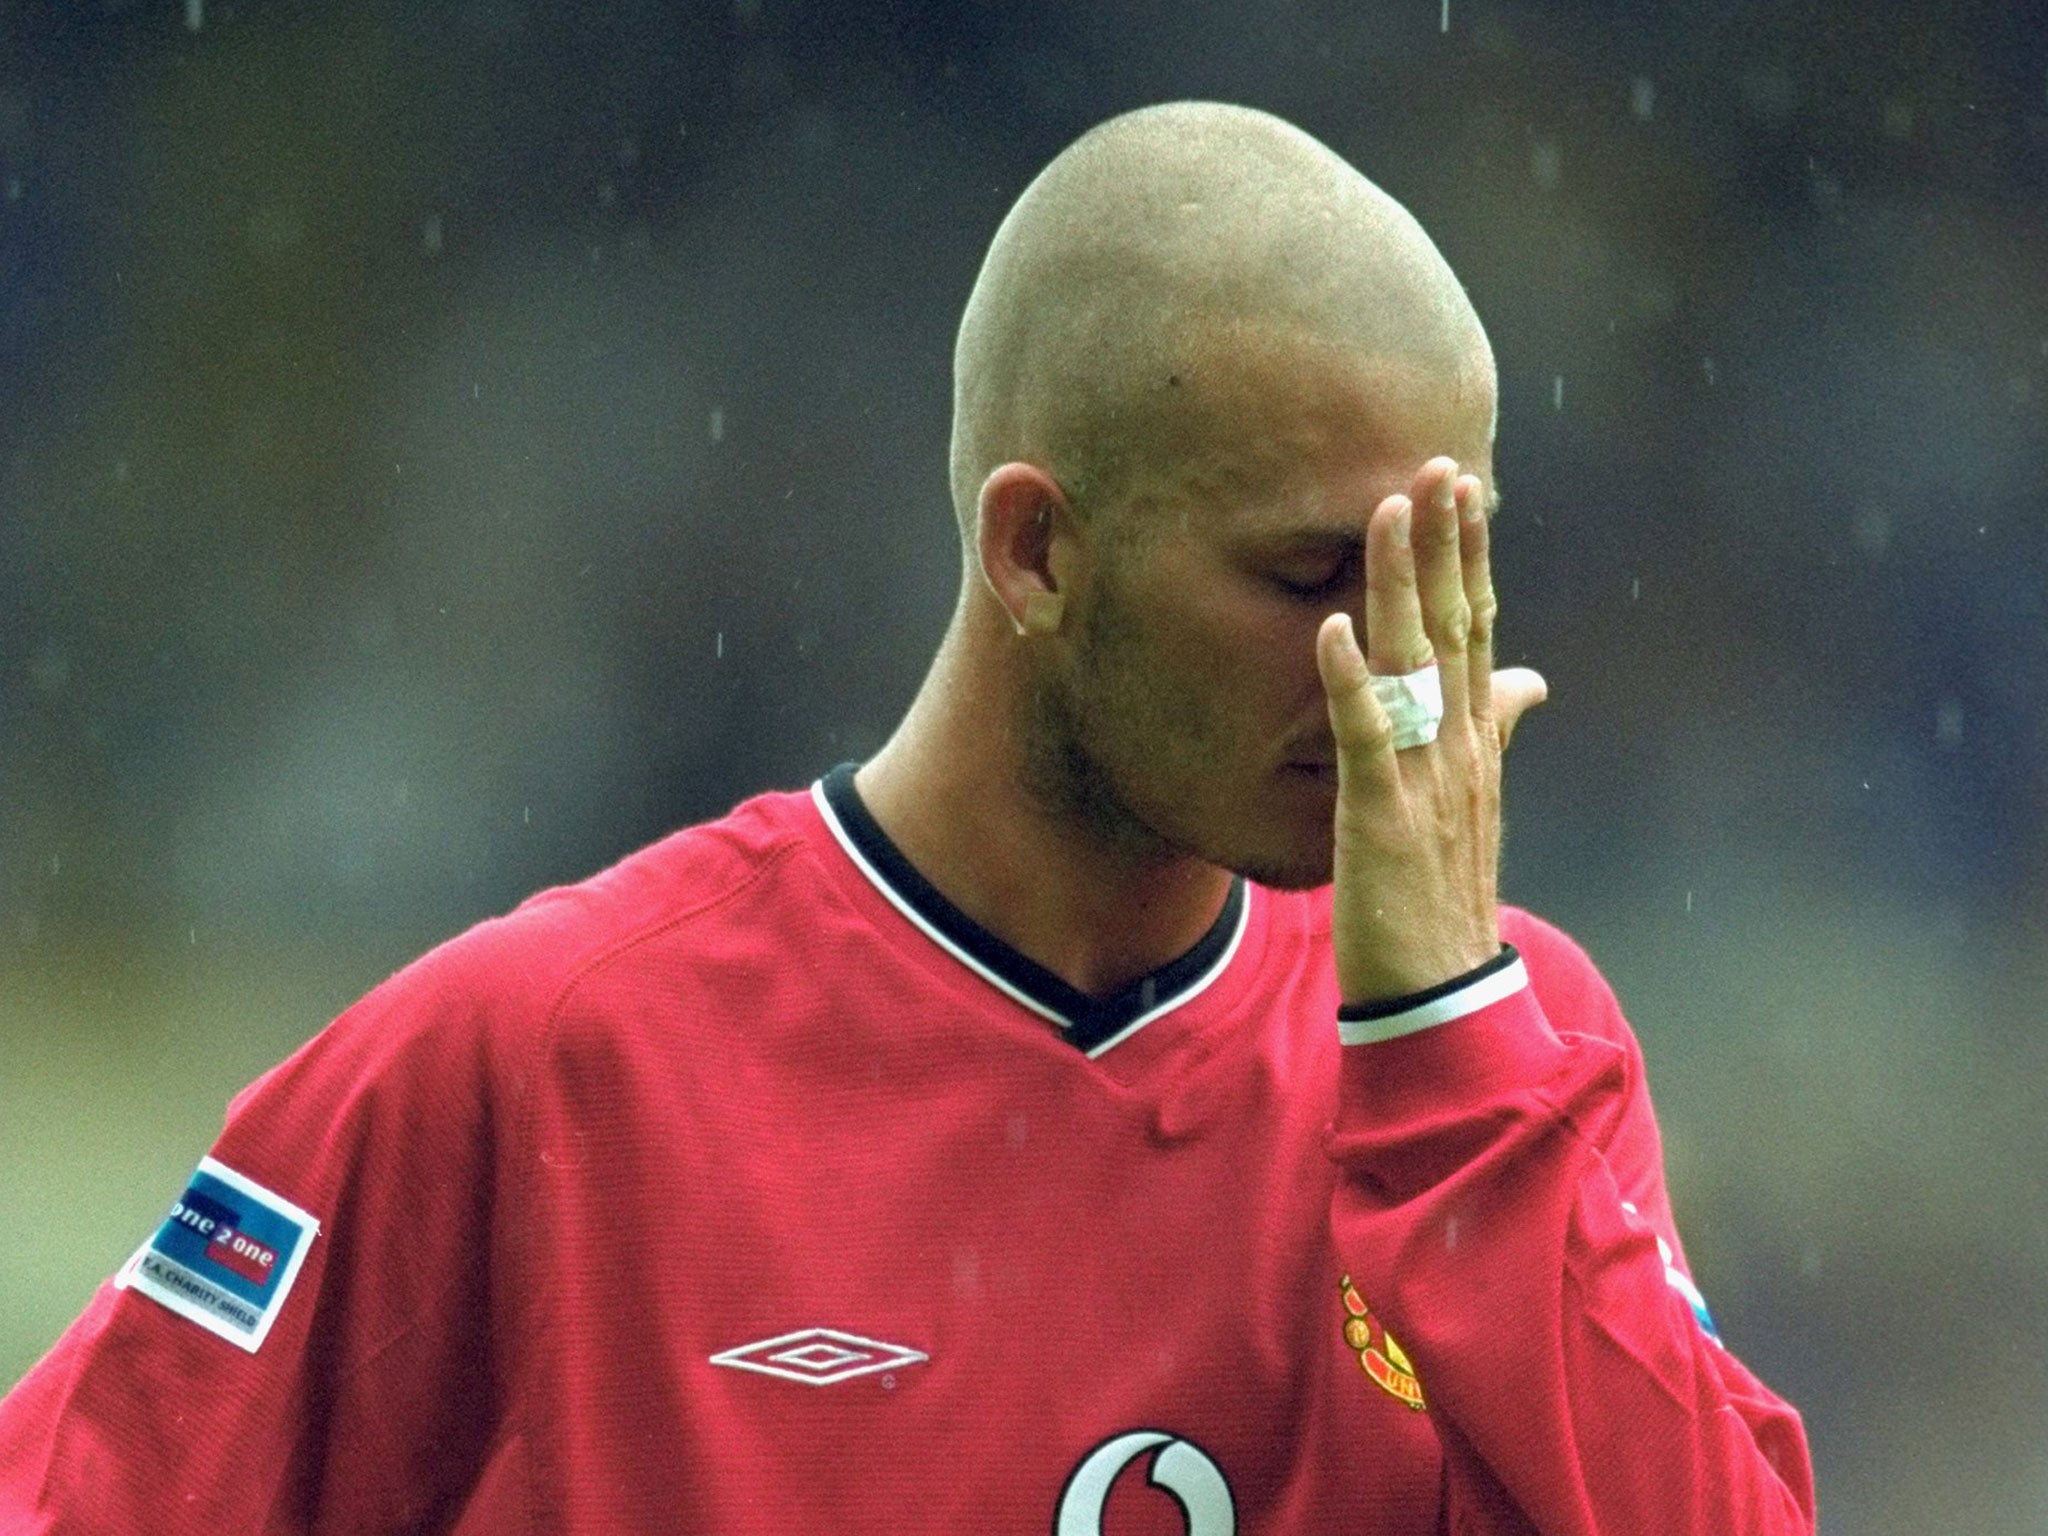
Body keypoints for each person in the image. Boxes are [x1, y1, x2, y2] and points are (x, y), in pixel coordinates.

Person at [0, 101, 1815, 1534]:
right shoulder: (544, 1060)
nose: (1400, 676)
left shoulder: (1510, 1059)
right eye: (1314, 573)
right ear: (1037, 550)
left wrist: (1446, 1056)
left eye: (1452, 569)